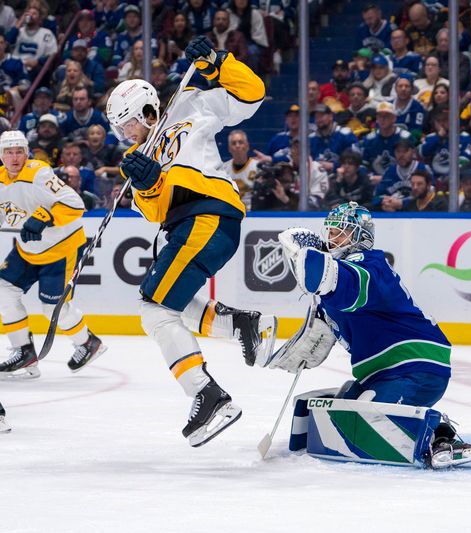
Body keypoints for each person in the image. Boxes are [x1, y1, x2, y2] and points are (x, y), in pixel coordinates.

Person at [105, 36, 277, 447]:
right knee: (166, 305)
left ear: (147, 110)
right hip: (187, 223)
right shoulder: (143, 154)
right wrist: (147, 184)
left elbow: (252, 94)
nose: (126, 134)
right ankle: (242, 323)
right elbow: (154, 211)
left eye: (128, 124)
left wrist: (218, 62)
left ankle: (207, 394)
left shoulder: (191, 103)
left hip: (209, 212)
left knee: (155, 308)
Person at [275, 202, 471, 468]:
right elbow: (321, 326)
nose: (331, 239)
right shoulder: (331, 289)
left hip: (417, 366)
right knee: (344, 410)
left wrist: (311, 259)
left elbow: (341, 281)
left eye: (341, 233)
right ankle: (424, 425)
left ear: (361, 237)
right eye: (330, 232)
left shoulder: (369, 264)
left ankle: (441, 437)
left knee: (368, 419)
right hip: (382, 373)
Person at [0, 130, 105, 379]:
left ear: (27, 153)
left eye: (19, 151)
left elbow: (75, 203)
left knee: (51, 309)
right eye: (8, 152)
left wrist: (43, 217)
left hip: (61, 247)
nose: (14, 157)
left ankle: (88, 343)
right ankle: (24, 353)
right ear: (1, 156)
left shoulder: (39, 173)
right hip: (28, 250)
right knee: (3, 290)